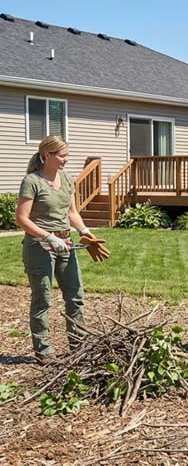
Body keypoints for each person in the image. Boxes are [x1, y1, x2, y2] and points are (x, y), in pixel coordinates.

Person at [15, 136, 96, 363]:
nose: (66, 160)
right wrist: (48, 236)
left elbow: (72, 213)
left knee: (75, 296)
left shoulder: (67, 178)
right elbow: (21, 219)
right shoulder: (32, 181)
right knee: (42, 299)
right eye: (62, 156)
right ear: (46, 155)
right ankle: (43, 351)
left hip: (65, 244)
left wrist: (84, 231)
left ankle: (79, 345)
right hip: (39, 246)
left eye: (67, 155)